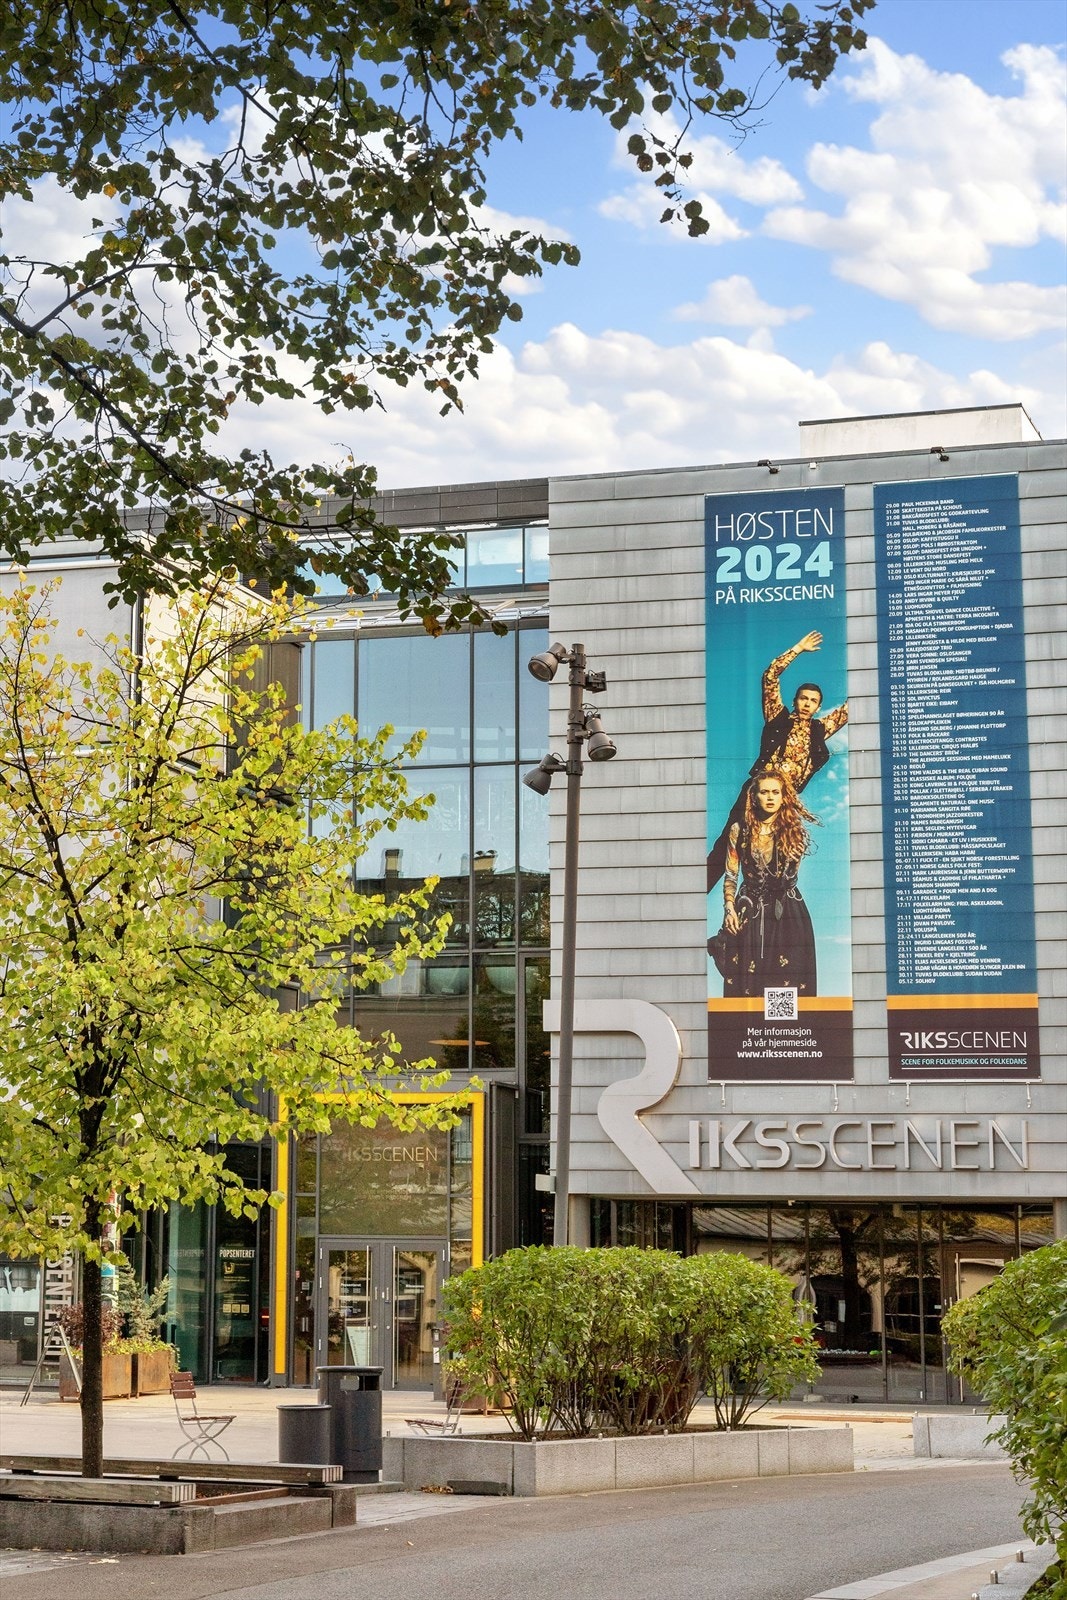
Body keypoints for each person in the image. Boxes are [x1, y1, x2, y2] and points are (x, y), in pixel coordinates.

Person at [707, 629, 847, 890]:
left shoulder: (819, 730)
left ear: (818, 707)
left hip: (786, 798)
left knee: (783, 848)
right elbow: (770, 677)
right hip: (757, 791)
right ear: (795, 701)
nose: (807, 703)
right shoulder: (778, 717)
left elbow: (850, 709)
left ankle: (774, 903)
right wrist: (798, 649)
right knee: (730, 839)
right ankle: (702, 890)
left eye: (813, 701)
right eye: (803, 698)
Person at [713, 771, 817, 998]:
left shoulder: (793, 831)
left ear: (783, 797)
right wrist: (729, 908)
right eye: (764, 792)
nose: (770, 797)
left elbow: (788, 877)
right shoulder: (738, 830)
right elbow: (731, 874)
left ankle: (784, 1030)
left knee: (787, 980)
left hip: (787, 911)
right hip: (749, 908)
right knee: (745, 982)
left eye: (775, 792)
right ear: (754, 797)